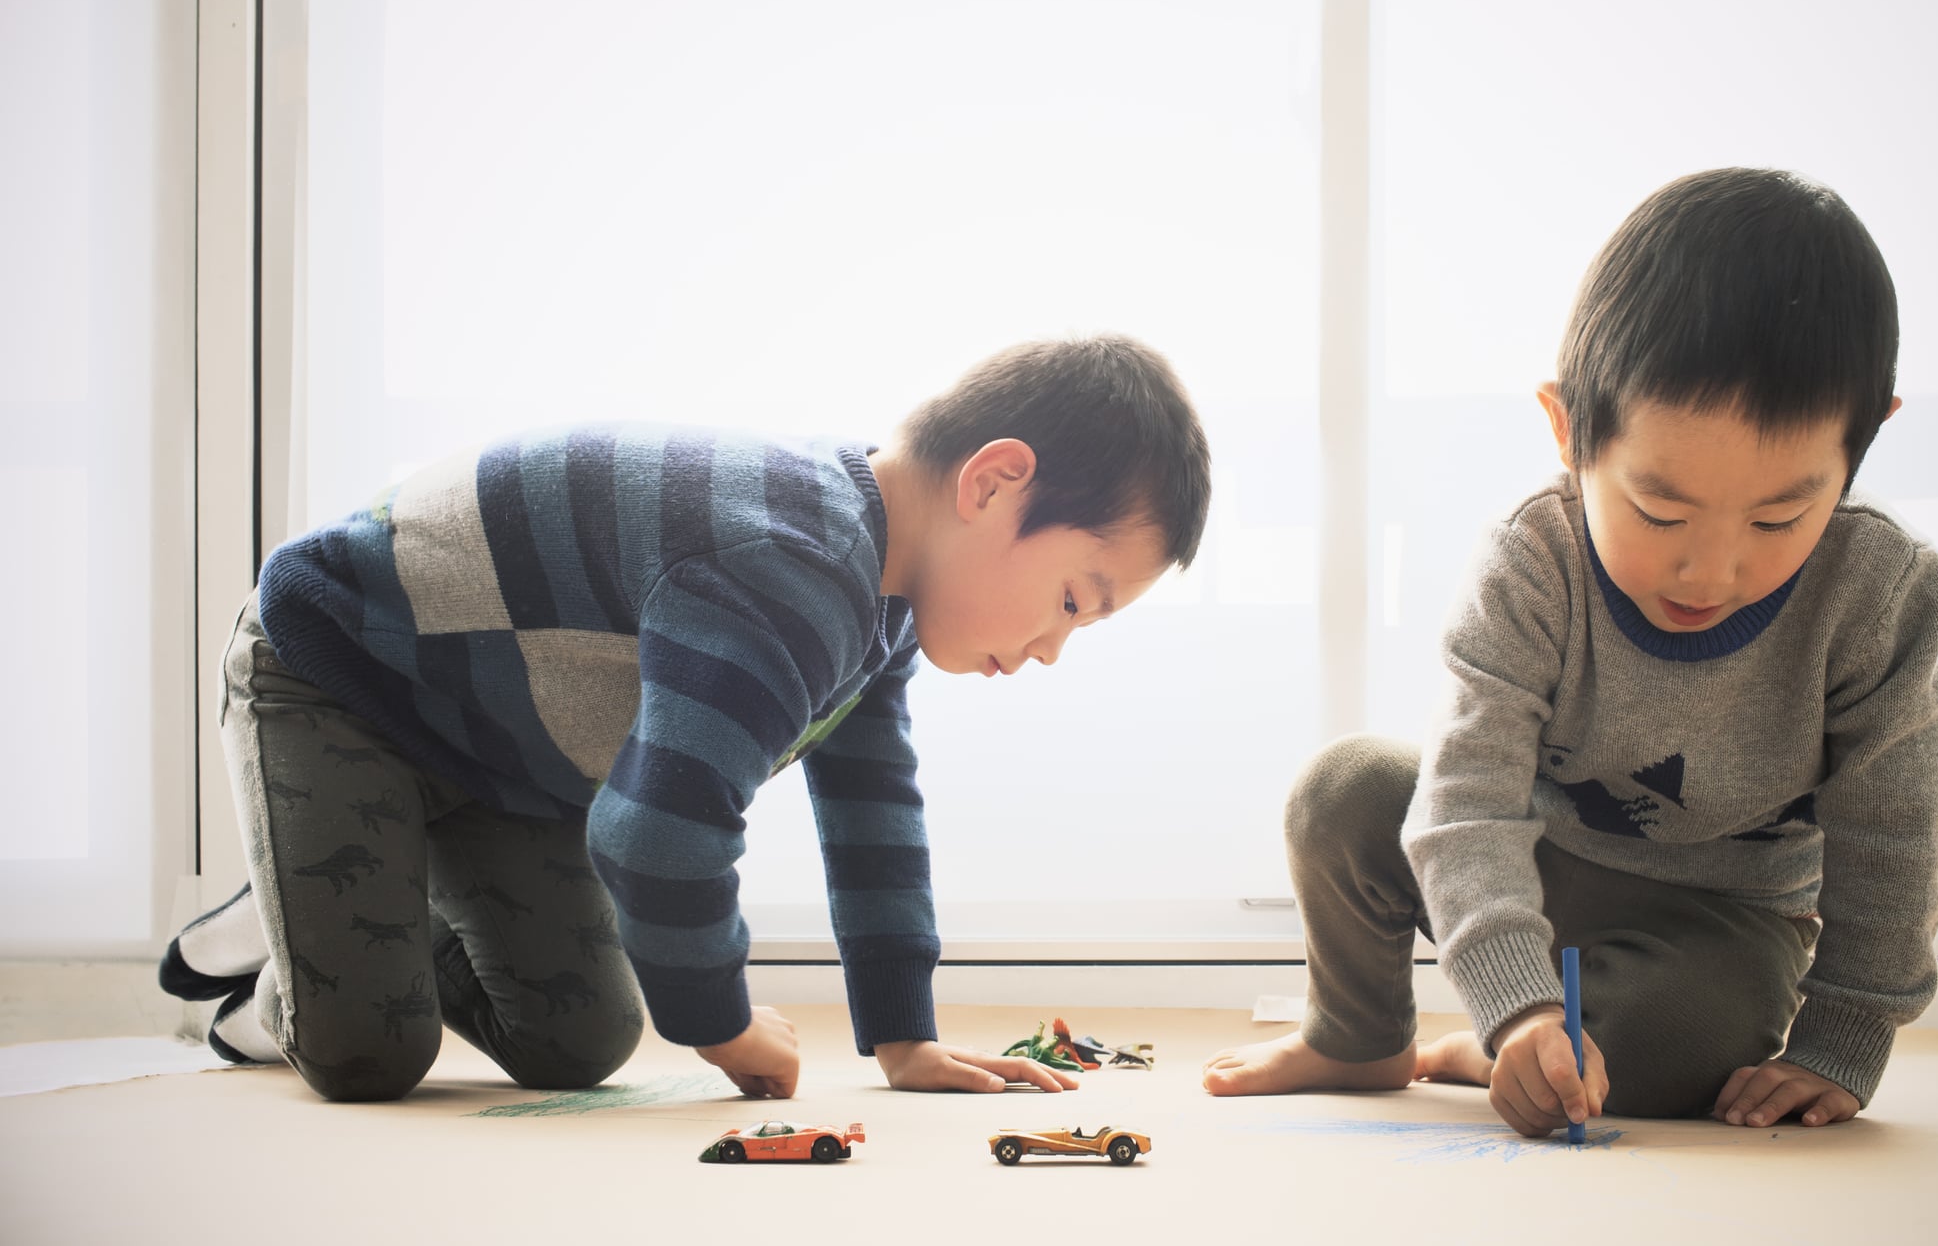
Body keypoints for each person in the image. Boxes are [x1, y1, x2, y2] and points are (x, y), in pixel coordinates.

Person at [159, 333, 1211, 1102]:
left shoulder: (880, 610)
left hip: (498, 759)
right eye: (1073, 600)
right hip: (343, 674)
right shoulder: (790, 567)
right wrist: (722, 1027)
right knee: (366, 1056)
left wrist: (902, 1036)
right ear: (993, 482)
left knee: (578, 1040)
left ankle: (364, 889)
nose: (1048, 651)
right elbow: (654, 835)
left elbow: (873, 817)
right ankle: (283, 940)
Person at [1203, 168, 1938, 1136]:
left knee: (1687, 1037)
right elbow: (1466, 806)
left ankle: (1475, 1055)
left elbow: (1891, 839)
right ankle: (1360, 1036)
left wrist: (1843, 1037)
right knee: (1346, 787)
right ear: (1567, 432)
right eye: (1658, 510)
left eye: (1778, 516)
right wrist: (1518, 1001)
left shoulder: (1880, 593)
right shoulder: (1530, 564)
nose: (1709, 570)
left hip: (1721, 926)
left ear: (1860, 448)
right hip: (1538, 859)